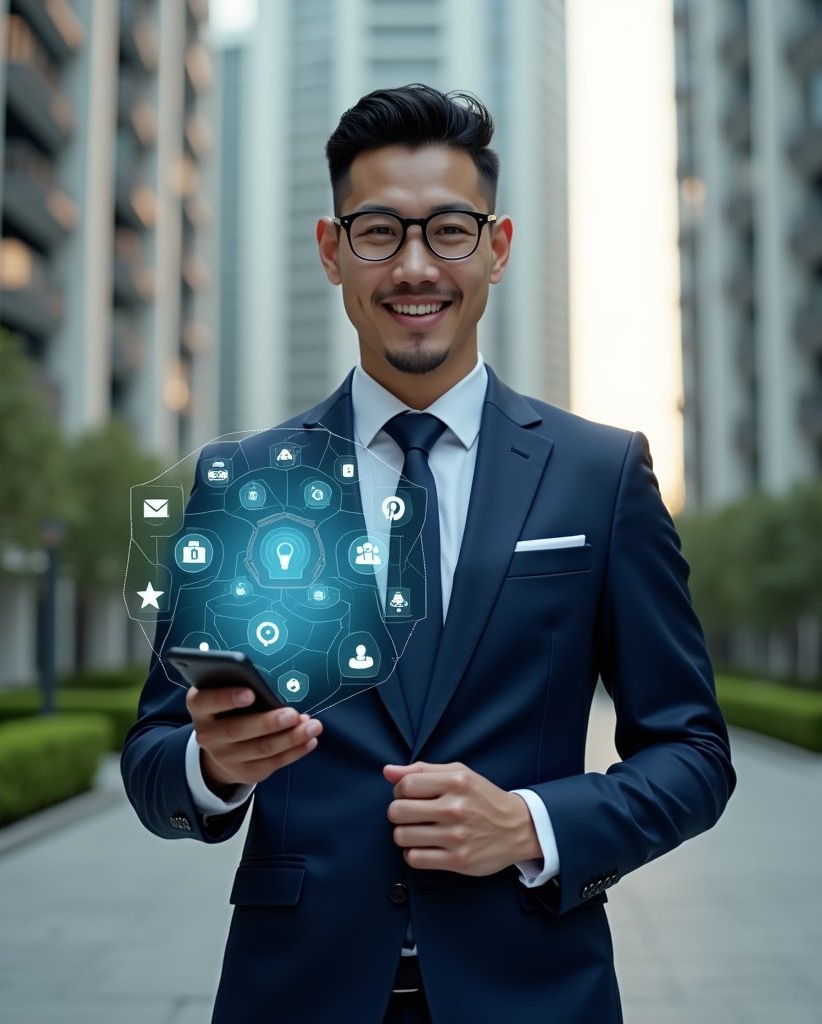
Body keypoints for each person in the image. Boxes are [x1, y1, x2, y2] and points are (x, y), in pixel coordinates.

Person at [121, 83, 735, 1024]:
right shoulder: (246, 479)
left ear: (498, 247)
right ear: (332, 251)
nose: (415, 267)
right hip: (296, 993)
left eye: (450, 231)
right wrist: (215, 767)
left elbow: (693, 752)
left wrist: (531, 824)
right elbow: (152, 759)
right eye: (378, 232)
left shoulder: (599, 474)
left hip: (535, 990)